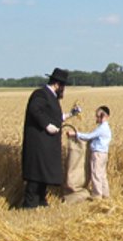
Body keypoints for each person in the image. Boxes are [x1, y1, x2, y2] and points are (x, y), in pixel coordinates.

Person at [21, 67, 80, 208]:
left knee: (43, 174)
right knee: (36, 175)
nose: (63, 90)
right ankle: (29, 205)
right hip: (39, 144)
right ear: (58, 84)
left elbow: (55, 117)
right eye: (63, 86)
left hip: (47, 144)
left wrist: (71, 114)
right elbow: (34, 109)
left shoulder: (51, 97)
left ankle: (41, 201)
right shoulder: (40, 94)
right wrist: (46, 125)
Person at [73, 106, 112, 199]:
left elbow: (89, 136)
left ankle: (97, 195)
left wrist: (76, 134)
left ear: (103, 116)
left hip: (98, 154)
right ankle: (105, 195)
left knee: (96, 174)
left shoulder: (102, 128)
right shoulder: (106, 128)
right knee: (102, 175)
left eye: (97, 116)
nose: (96, 118)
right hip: (104, 154)